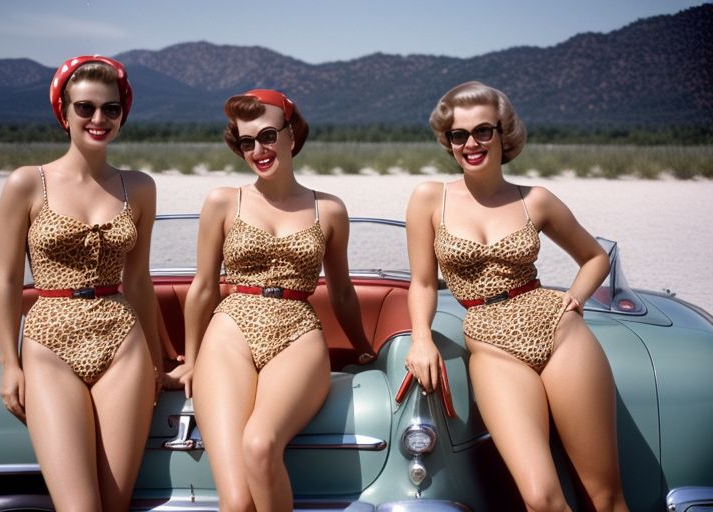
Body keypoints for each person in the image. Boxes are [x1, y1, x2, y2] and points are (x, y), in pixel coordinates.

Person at [404, 81, 629, 511]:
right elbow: (424, 282)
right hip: (491, 343)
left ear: (503, 133)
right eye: (458, 134)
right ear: (447, 141)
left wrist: (575, 299)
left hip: (558, 332)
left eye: (483, 131)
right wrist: (421, 338)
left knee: (605, 496)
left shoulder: (535, 200)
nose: (471, 143)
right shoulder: (429, 199)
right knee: (541, 498)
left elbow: (595, 258)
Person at [177, 89, 375, 512]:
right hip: (232, 328)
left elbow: (340, 291)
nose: (258, 150)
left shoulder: (329, 210)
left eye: (267, 136)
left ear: (292, 134)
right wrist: (192, 357)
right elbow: (204, 287)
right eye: (247, 142)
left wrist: (363, 347)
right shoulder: (222, 201)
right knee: (234, 501)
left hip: (298, 332)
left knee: (261, 445)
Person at [0, 55, 166, 511]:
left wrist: (157, 358)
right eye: (85, 108)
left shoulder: (139, 187)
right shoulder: (28, 183)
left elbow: (140, 281)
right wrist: (9, 364)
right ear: (63, 113)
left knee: (115, 504)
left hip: (121, 340)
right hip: (50, 338)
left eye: (111, 109)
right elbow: (10, 279)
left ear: (122, 115)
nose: (98, 119)